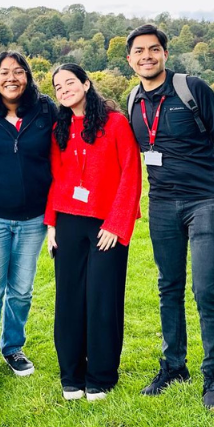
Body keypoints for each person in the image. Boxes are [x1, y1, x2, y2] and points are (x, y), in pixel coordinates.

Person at [125, 24, 214, 410]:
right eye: (139, 51)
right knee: (168, 287)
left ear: (164, 54)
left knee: (206, 289)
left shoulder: (191, 89)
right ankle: (174, 366)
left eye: (153, 49)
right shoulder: (132, 102)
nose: (147, 56)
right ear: (130, 60)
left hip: (206, 201)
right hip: (161, 205)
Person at [45, 63, 142, 401]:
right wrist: (51, 224)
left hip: (106, 225)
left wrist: (117, 224)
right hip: (68, 222)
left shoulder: (115, 124)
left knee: (102, 299)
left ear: (86, 84)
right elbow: (55, 179)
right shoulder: (59, 127)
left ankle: (100, 375)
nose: (63, 90)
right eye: (57, 87)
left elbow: (131, 174)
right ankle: (71, 374)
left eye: (69, 82)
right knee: (69, 300)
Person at [0, 51, 56, 402]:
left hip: (34, 218)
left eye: (19, 72)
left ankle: (13, 347)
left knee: (21, 290)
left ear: (28, 77)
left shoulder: (45, 109)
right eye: (5, 72)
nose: (12, 78)